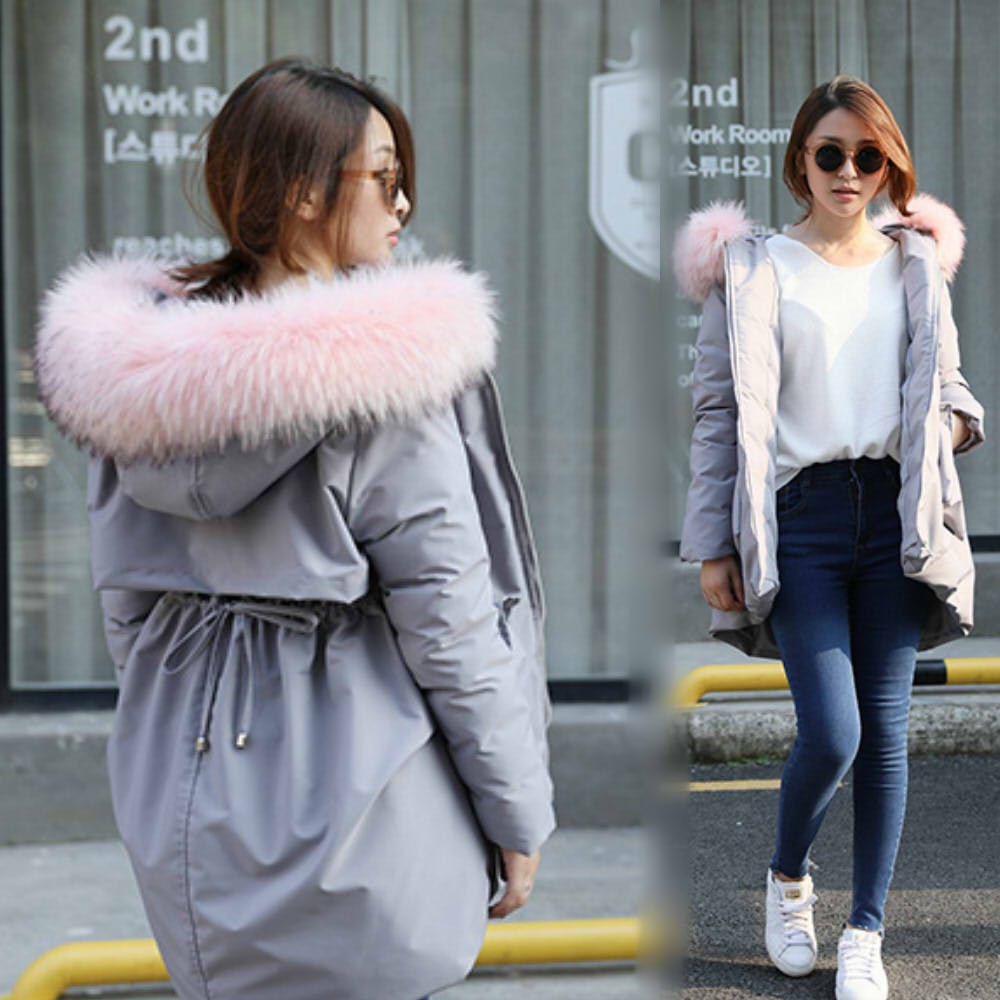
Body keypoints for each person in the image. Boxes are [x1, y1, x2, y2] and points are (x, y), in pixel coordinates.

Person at [34, 58, 555, 1000]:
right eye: (385, 177)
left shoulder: (135, 375)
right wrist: (518, 812)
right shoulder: (384, 377)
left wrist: (168, 728)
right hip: (361, 773)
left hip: (185, 768)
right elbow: (450, 623)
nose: (404, 203)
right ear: (305, 192)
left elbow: (127, 609)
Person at [673, 75, 985, 1000]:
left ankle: (866, 931)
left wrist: (952, 424)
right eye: (831, 153)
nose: (849, 172)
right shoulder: (753, 269)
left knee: (885, 736)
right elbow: (717, 416)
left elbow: (952, 384)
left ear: (889, 167)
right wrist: (713, 545)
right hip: (799, 518)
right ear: (799, 162)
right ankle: (788, 879)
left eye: (869, 156)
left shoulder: (916, 264)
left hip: (895, 513)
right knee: (834, 731)